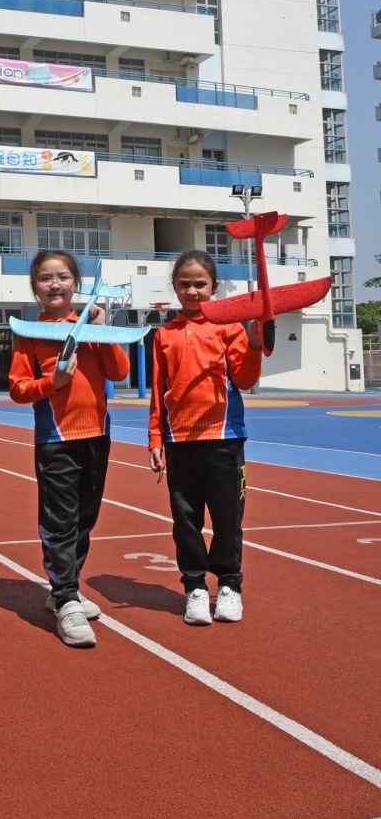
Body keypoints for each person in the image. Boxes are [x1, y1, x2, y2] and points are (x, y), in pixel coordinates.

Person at [9, 250, 130, 648]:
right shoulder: (29, 333)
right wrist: (53, 383)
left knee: (84, 520)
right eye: (45, 278)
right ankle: (65, 598)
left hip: (97, 437)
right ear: (35, 287)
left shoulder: (91, 327)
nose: (55, 284)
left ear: (76, 284)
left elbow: (119, 371)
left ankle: (66, 587)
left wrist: (102, 330)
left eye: (63, 276)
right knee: (60, 522)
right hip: (56, 441)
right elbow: (17, 389)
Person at [149, 250, 262, 625]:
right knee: (186, 521)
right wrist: (155, 438)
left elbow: (245, 378)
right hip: (179, 440)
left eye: (200, 283)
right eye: (184, 284)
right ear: (174, 287)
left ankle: (229, 586)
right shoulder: (164, 334)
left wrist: (255, 345)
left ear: (214, 286)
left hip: (224, 437)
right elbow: (157, 391)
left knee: (228, 519)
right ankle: (195, 587)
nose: (192, 290)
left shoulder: (229, 327)